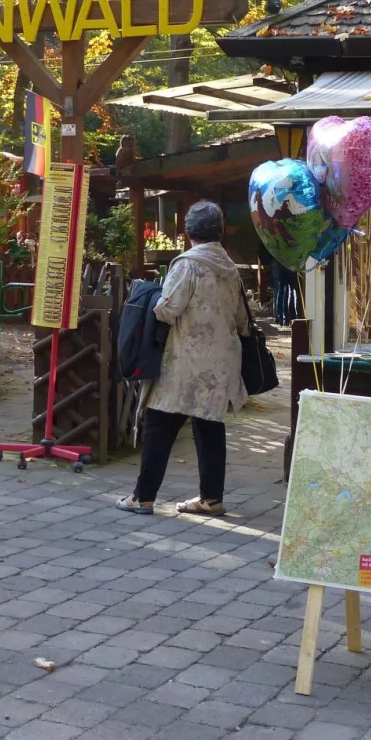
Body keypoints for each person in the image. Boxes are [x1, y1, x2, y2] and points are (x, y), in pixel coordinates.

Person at [116, 200, 250, 517]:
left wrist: (150, 294)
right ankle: (211, 498)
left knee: (159, 423)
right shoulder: (231, 269)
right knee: (209, 426)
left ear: (187, 231)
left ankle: (143, 496)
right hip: (219, 365)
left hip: (184, 363)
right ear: (218, 232)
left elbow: (166, 310)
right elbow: (243, 320)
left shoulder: (187, 264)